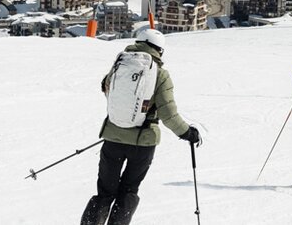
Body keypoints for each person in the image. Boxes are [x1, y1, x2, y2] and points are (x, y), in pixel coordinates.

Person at [81, 29, 202, 225]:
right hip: (142, 143)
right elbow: (168, 114)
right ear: (159, 50)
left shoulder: (120, 64)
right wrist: (187, 133)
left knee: (104, 192)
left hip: (113, 137)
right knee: (128, 191)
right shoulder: (160, 75)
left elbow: (106, 87)